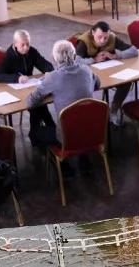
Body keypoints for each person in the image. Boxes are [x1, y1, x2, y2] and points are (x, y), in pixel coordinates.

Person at [26, 40, 101, 174]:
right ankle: (84, 159)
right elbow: (97, 84)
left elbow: (30, 102)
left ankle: (62, 166)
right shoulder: (86, 70)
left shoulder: (52, 78)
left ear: (55, 59)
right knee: (80, 116)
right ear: (74, 56)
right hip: (92, 131)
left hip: (67, 136)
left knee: (35, 133)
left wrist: (43, 85)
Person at [0, 30, 57, 147]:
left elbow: (45, 64)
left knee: (37, 103)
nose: (26, 48)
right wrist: (17, 78)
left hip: (29, 87)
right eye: (23, 45)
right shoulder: (9, 55)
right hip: (13, 90)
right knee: (38, 104)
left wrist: (48, 71)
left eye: (28, 44)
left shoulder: (31, 51)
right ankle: (45, 131)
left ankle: (38, 134)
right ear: (15, 44)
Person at [75, 21, 138, 125]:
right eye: (99, 37)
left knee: (126, 83)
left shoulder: (112, 38)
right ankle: (90, 118)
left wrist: (117, 56)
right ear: (92, 33)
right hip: (88, 76)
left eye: (105, 38)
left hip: (109, 72)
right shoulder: (84, 41)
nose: (102, 41)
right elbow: (75, 62)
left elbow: (134, 51)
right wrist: (94, 60)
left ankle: (114, 110)